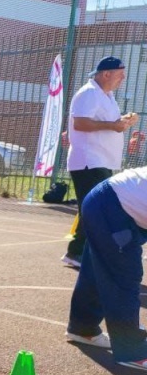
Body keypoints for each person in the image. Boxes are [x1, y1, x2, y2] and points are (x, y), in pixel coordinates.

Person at [65, 166, 147, 370]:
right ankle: (132, 351)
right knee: (125, 276)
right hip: (113, 206)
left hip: (108, 201)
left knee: (97, 270)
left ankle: (83, 328)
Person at [61, 56, 138, 269]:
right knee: (96, 208)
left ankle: (82, 251)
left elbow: (103, 122)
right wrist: (113, 126)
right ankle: (78, 252)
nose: (122, 79)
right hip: (89, 161)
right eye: (120, 74)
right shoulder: (89, 93)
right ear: (106, 74)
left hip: (100, 160)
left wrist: (121, 121)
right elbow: (81, 123)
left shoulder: (106, 95)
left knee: (97, 207)